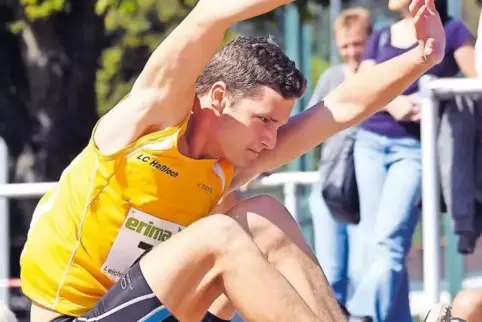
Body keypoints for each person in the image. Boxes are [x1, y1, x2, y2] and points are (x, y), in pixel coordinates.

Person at [19, 0, 447, 321]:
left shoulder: (226, 165)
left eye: (278, 125)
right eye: (262, 120)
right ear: (219, 98)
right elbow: (209, 15)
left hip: (150, 309)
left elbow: (341, 107)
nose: (270, 140)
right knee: (220, 234)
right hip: (74, 316)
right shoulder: (146, 126)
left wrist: (422, 56)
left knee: (263, 215)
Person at [345, 0, 476, 321]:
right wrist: (396, 103)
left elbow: (477, 81)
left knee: (387, 241)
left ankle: (357, 315)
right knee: (373, 245)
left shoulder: (453, 30)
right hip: (370, 142)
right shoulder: (380, 35)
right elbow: (363, 85)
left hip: (413, 148)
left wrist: (429, 99)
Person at [308, 7, 372, 307]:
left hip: (367, 188)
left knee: (363, 269)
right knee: (331, 270)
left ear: (370, 40)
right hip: (331, 183)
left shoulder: (379, 75)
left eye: (357, 44)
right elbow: (308, 122)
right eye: (345, 46)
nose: (352, 52)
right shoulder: (333, 77)